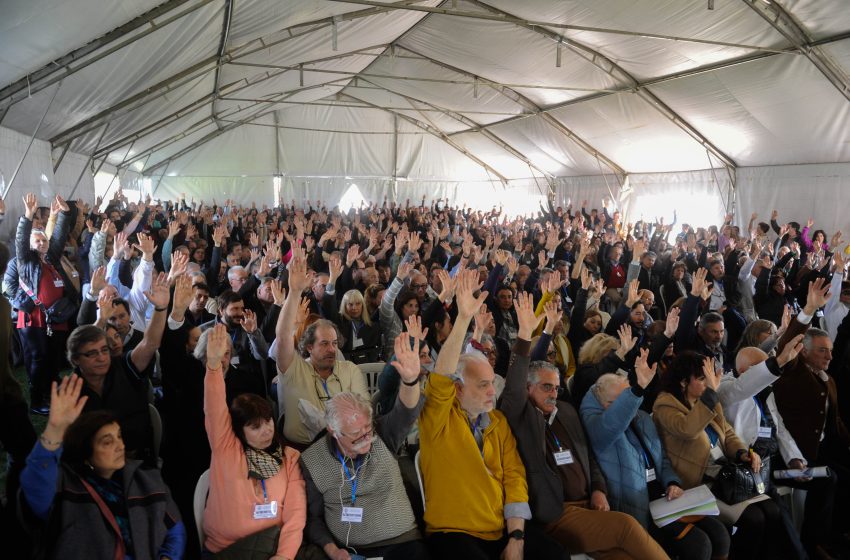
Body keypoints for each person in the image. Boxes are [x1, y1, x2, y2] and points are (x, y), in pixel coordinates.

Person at [500, 293, 668, 559]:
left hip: (590, 505)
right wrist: (524, 334)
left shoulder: (566, 411)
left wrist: (599, 489)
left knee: (624, 555)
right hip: (558, 513)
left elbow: (588, 455)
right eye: (546, 387)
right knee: (625, 526)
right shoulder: (519, 414)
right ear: (527, 388)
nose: (554, 393)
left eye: (556, 387)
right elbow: (514, 382)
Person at [418, 269, 567, 560]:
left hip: (501, 529)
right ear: (458, 390)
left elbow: (514, 477)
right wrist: (462, 320)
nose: (491, 391)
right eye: (483, 385)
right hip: (453, 532)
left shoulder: (497, 422)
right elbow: (442, 376)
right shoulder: (438, 418)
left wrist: (517, 538)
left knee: (556, 555)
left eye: (491, 383)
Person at [20, 375, 185, 559]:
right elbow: (35, 486)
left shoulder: (146, 478)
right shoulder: (64, 488)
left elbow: (175, 529)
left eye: (119, 436)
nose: (120, 446)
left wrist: (167, 557)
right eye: (107, 442)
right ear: (85, 454)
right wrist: (54, 431)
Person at [300, 331, 429, 560]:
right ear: (333, 430)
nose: (365, 438)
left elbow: (406, 411)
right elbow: (313, 518)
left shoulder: (382, 434)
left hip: (400, 541)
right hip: (348, 551)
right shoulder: (312, 460)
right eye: (355, 435)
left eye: (366, 429)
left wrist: (410, 381)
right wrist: (333, 550)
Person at [582, 360, 728, 560]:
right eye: (618, 402)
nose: (628, 407)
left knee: (720, 535)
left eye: (629, 398)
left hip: (664, 499)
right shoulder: (598, 428)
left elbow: (662, 459)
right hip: (638, 508)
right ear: (603, 404)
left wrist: (672, 482)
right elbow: (614, 421)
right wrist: (637, 390)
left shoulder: (642, 418)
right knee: (698, 545)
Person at [653, 351, 785, 559]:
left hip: (723, 475)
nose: (709, 382)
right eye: (702, 377)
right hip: (698, 483)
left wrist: (742, 453)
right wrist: (710, 396)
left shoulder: (705, 399)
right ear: (683, 382)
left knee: (772, 510)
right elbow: (688, 429)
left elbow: (728, 432)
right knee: (754, 519)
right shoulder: (665, 405)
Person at [202, 323, 306, 558]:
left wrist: (284, 555)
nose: (266, 431)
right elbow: (214, 408)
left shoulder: (289, 457)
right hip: (227, 550)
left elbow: (295, 513)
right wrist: (214, 366)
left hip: (273, 550)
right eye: (255, 427)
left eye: (268, 421)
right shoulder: (226, 447)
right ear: (239, 430)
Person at [67, 271, 170, 462]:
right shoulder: (69, 391)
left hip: (135, 458)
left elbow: (150, 344)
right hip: (92, 465)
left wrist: (161, 309)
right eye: (91, 353)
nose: (101, 357)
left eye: (104, 350)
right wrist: (101, 320)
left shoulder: (123, 367)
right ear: (76, 360)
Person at [275, 250, 369, 446]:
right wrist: (294, 292)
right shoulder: (294, 370)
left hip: (345, 447)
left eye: (334, 344)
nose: (332, 349)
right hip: (302, 450)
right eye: (324, 344)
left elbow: (364, 410)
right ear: (309, 347)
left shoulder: (349, 370)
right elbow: (283, 337)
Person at [4, 193, 78, 414]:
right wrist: (28, 215)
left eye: (44, 239)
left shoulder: (51, 259)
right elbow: (20, 239)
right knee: (38, 360)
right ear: (29, 244)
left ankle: (52, 397)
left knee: (54, 361)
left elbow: (59, 235)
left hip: (56, 319)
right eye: (37, 240)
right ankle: (37, 402)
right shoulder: (25, 260)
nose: (42, 242)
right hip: (33, 320)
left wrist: (65, 213)